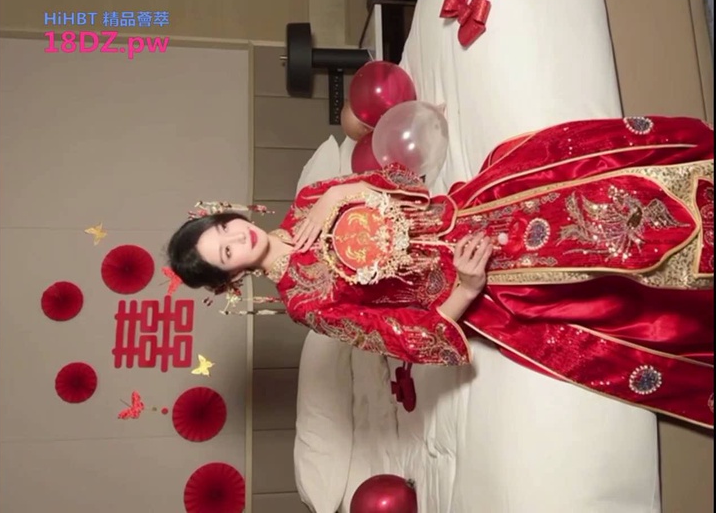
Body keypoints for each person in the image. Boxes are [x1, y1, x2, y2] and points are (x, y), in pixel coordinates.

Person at [168, 115, 714, 429]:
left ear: (230, 214)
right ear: (230, 279)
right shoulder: (304, 302)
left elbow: (408, 185)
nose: (238, 238)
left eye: (225, 229)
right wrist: (469, 286)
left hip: (468, 211)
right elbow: (411, 338)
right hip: (478, 277)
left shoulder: (311, 198)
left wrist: (342, 191)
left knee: (586, 178)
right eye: (225, 253)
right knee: (602, 251)